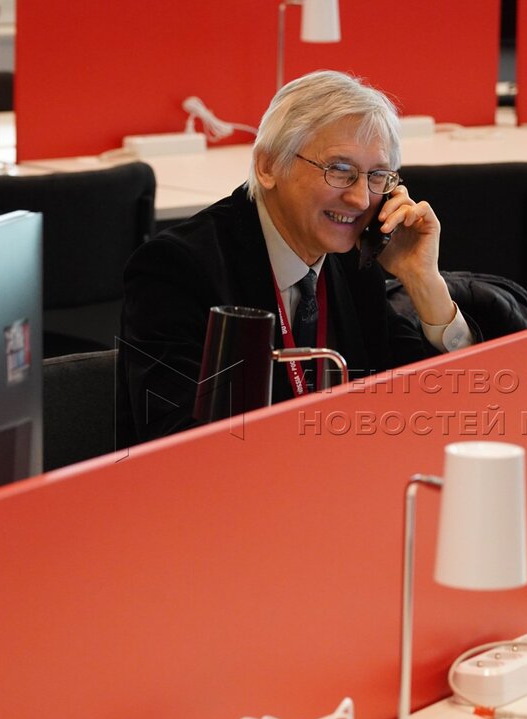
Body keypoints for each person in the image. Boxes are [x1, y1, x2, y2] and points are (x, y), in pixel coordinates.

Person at [117, 70, 478, 444]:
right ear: (269, 166)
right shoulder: (177, 268)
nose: (359, 200)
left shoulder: (352, 256)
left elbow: (435, 404)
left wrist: (422, 280)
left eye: (376, 176)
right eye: (340, 170)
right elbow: (179, 440)